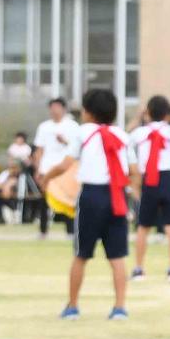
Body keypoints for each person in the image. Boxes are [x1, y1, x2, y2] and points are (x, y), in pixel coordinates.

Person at [48, 88, 135, 320]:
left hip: (91, 196)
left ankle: (73, 306)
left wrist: (47, 176)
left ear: (87, 112)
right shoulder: (123, 136)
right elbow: (135, 170)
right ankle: (119, 307)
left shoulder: (82, 132)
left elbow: (66, 164)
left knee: (81, 254)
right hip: (117, 195)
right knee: (117, 256)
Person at [127, 96, 170, 283]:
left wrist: (138, 117)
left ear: (148, 112)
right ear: (168, 114)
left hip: (148, 179)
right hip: (168, 178)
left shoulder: (139, 133)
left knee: (143, 226)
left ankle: (138, 268)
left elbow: (127, 142)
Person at [32, 97, 82, 238]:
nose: (54, 110)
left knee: (67, 198)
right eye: (52, 107)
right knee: (44, 201)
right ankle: (43, 231)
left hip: (65, 168)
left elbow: (76, 148)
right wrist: (37, 168)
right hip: (47, 168)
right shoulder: (44, 126)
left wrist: (64, 141)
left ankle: (71, 231)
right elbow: (39, 150)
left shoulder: (72, 126)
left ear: (63, 109)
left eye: (57, 107)